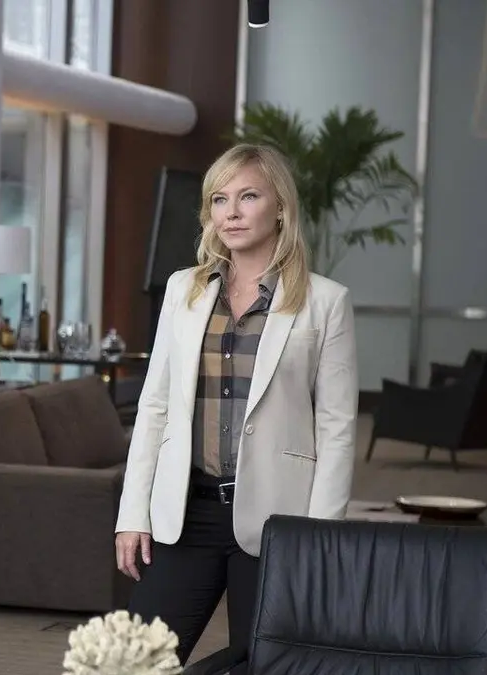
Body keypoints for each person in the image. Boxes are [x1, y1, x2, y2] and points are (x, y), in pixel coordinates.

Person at [114, 143, 358, 664]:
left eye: (248, 196)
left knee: (266, 663)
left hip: (277, 519)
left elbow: (337, 428)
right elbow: (154, 407)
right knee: (132, 660)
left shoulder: (325, 301)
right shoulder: (183, 289)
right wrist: (132, 513)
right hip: (187, 513)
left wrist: (318, 537)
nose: (232, 212)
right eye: (220, 199)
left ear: (280, 208)